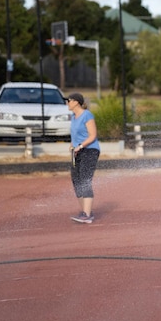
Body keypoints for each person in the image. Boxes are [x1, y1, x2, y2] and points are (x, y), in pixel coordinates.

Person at [66, 92, 101, 224]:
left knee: (85, 180)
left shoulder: (87, 115)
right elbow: (74, 136)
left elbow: (92, 136)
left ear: (76, 102)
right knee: (76, 181)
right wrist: (72, 145)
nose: (67, 103)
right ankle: (85, 211)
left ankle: (87, 215)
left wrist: (80, 146)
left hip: (90, 151)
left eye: (68, 100)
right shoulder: (73, 117)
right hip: (77, 152)